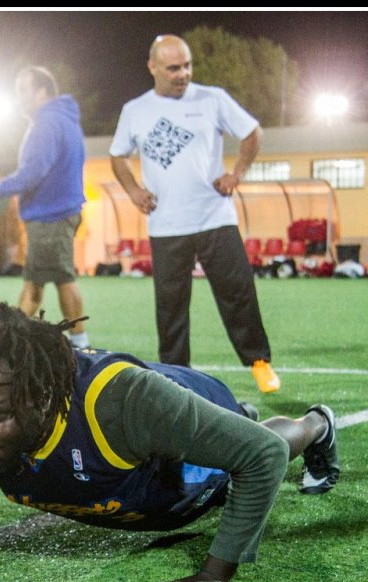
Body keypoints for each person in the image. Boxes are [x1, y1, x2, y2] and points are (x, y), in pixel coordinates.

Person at [0, 303, 340, 582]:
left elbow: (262, 456)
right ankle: (223, 423)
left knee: (246, 448)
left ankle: (316, 423)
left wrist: (216, 572)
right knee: (209, 435)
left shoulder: (120, 403)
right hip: (154, 437)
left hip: (176, 450)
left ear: (44, 397)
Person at [108, 35, 280, 393]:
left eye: (187, 65)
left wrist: (237, 174)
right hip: (166, 223)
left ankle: (259, 362)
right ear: (152, 67)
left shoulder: (212, 99)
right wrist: (134, 191)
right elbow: (117, 156)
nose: (182, 74)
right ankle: (175, 376)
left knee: (238, 292)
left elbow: (252, 132)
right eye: (173, 68)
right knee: (170, 308)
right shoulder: (134, 110)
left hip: (215, 216)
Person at [0, 66, 90, 350]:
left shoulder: (47, 123)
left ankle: (75, 346)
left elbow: (33, 172)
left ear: (41, 91)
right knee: (40, 282)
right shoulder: (64, 119)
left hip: (50, 218)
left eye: (22, 90)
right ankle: (22, 341)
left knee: (49, 282)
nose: (18, 97)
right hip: (58, 215)